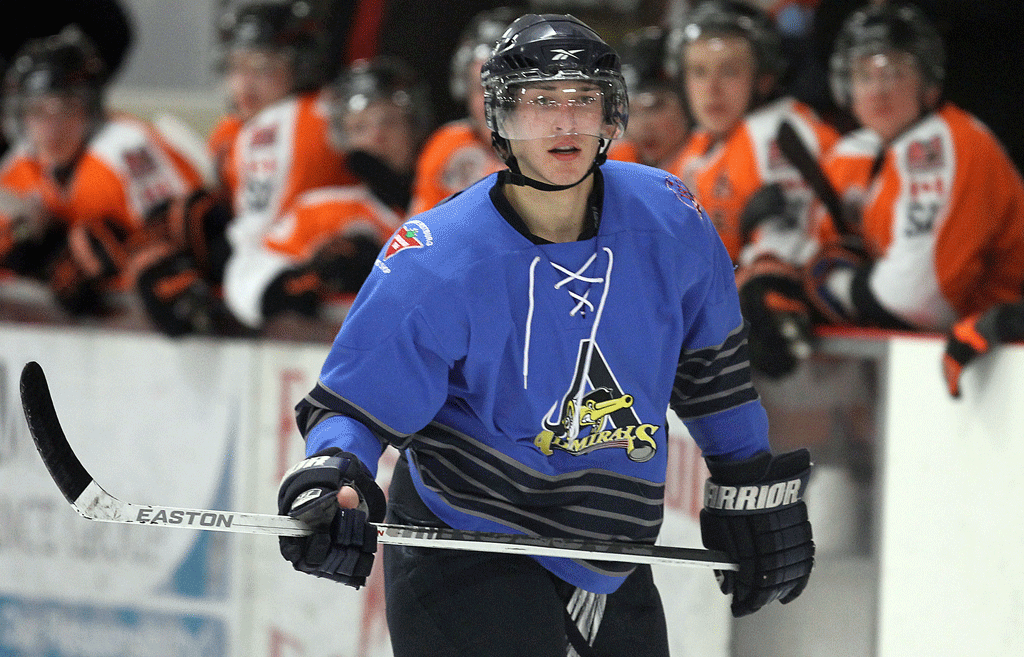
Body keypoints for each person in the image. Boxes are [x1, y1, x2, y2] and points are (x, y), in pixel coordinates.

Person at [275, 13, 814, 656]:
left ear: (611, 115)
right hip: (468, 534)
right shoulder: (437, 256)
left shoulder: (673, 218)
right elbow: (353, 407)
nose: (566, 123)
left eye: (584, 100)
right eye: (541, 103)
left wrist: (746, 475)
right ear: (500, 119)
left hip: (605, 550)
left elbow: (712, 372)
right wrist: (330, 476)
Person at [794, 3, 1024, 392]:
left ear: (929, 83)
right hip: (926, 364)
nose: (879, 89)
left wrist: (830, 284)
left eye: (896, 72)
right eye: (865, 74)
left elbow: (918, 299)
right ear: (846, 87)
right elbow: (804, 254)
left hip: (995, 361)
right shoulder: (854, 153)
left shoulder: (949, 142)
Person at [0, 28, 207, 323]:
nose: (51, 129)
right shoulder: (20, 165)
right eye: (37, 112)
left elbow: (181, 241)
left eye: (64, 110)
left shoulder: (127, 149)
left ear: (90, 107)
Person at [221, 55, 430, 331]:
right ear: (342, 140)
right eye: (359, 127)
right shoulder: (320, 209)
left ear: (414, 127)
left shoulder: (449, 196)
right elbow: (247, 272)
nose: (377, 137)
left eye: (389, 122)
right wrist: (302, 281)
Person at [665, 0, 840, 263]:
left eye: (730, 71)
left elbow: (782, 271)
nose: (712, 88)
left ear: (763, 79)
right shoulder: (698, 145)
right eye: (699, 72)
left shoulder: (776, 133)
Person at [406, 6, 517, 215]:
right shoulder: (447, 147)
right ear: (464, 91)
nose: (495, 102)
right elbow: (415, 235)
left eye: (510, 88)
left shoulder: (572, 145)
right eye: (482, 88)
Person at [606, 26, 690, 171]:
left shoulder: (719, 167)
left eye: (654, 107)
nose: (643, 126)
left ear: (687, 105)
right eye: (631, 111)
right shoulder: (612, 164)